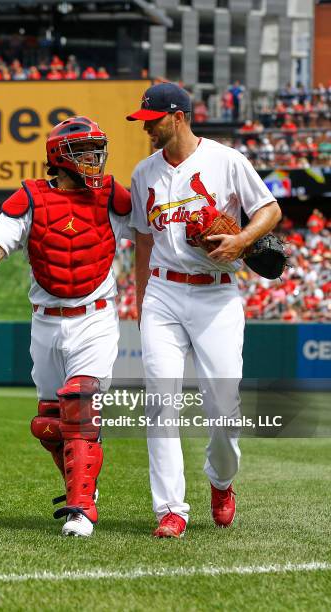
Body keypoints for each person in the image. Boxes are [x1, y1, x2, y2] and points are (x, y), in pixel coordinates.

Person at [0, 116, 131, 537]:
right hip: (46, 322)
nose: (94, 159)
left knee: (80, 402)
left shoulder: (111, 195)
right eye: (84, 152)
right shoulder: (32, 198)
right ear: (59, 157)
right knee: (48, 423)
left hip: (96, 314)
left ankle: (81, 508)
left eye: (97, 150)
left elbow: (150, 230)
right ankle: (82, 481)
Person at [126, 82, 281, 538]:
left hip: (217, 294)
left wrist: (242, 240)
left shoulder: (226, 161)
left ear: (177, 117)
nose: (147, 128)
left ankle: (221, 480)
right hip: (163, 294)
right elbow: (142, 240)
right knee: (160, 403)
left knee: (223, 408)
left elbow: (269, 210)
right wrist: (141, 301)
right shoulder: (143, 173)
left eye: (152, 121)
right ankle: (171, 509)